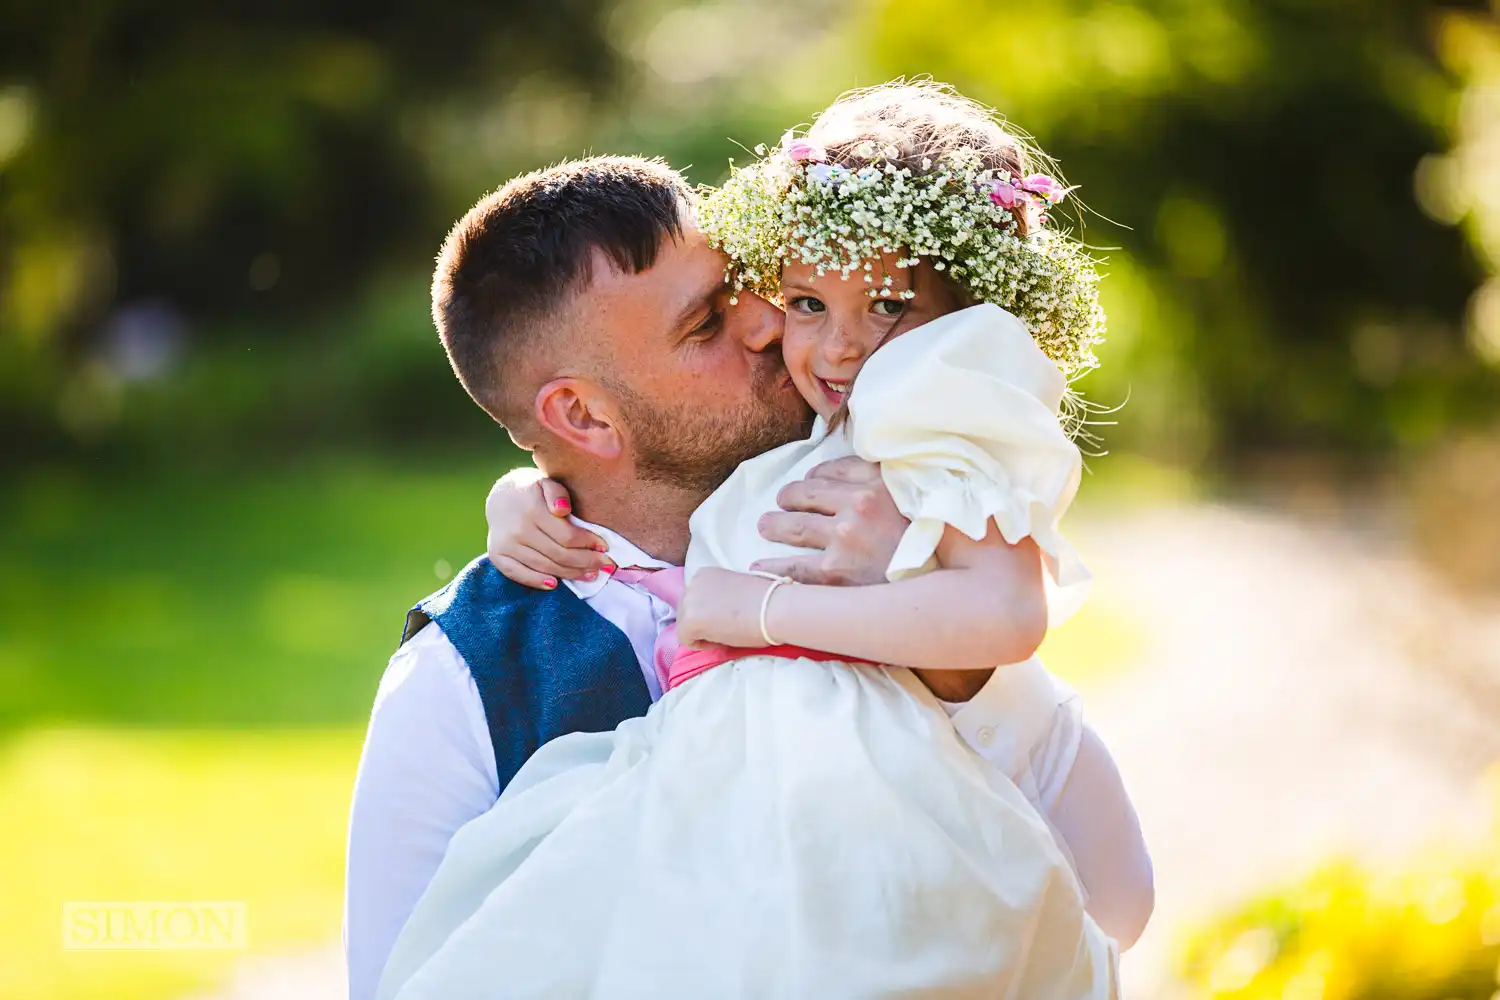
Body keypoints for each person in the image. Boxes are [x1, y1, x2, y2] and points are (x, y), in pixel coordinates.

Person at [374, 82, 1149, 999]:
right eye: (710, 321)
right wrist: (522, 493)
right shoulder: (460, 680)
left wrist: (909, 600)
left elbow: (1107, 910)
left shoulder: (896, 470)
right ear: (577, 414)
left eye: (746, 290)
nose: (770, 326)